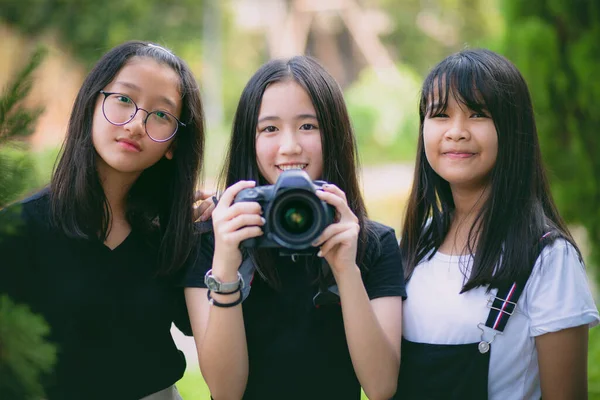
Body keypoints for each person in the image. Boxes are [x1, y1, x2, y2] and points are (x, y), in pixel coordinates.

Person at [184, 56, 406, 400]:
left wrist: (346, 270)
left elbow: (380, 387)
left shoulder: (373, 243)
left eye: (308, 126)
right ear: (249, 140)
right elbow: (225, 391)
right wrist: (226, 264)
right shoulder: (213, 241)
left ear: (334, 134)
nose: (290, 146)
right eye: (269, 128)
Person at [0, 41, 210, 399]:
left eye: (161, 114)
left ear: (174, 144)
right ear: (92, 105)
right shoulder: (20, 230)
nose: (136, 124)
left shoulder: (170, 237)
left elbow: (209, 336)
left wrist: (216, 243)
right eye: (125, 99)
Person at [396, 48, 599, 399]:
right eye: (440, 114)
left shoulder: (549, 258)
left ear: (513, 129)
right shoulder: (419, 241)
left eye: (478, 114)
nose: (456, 132)